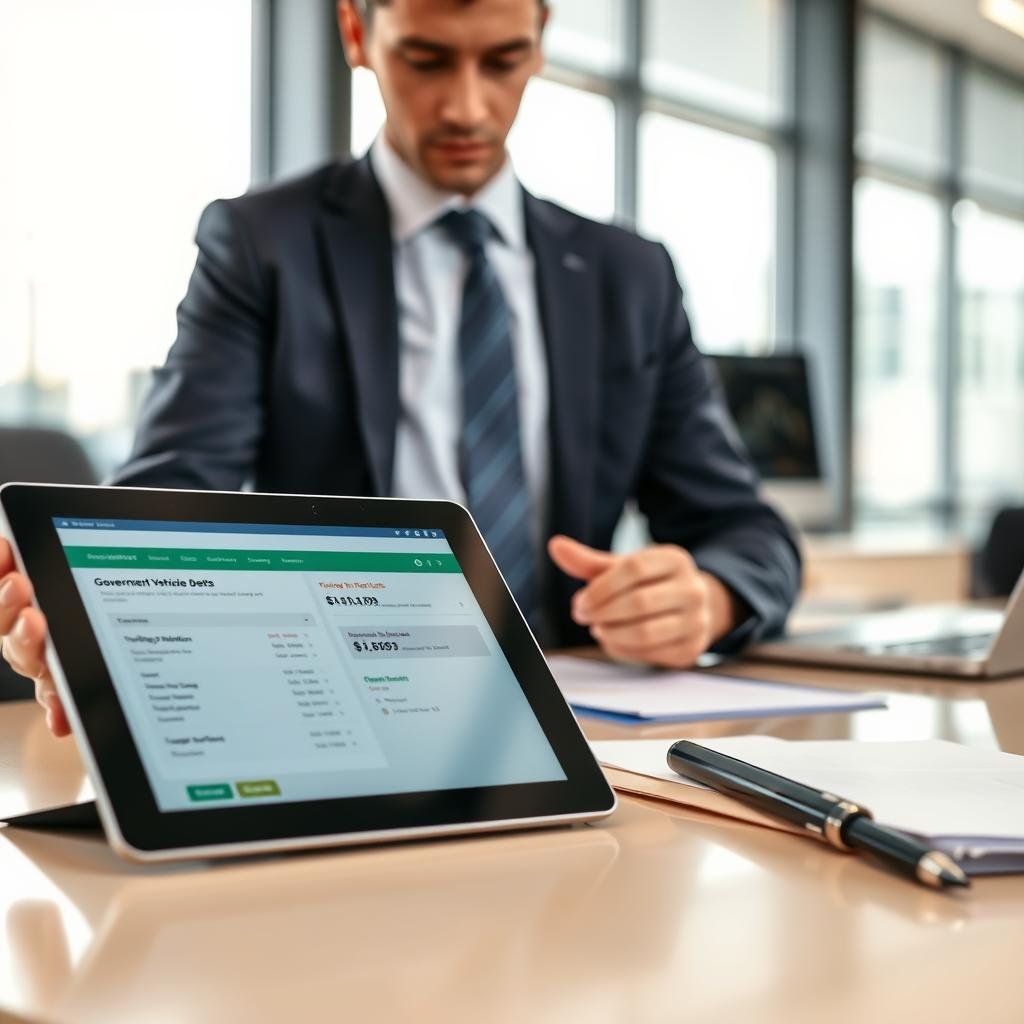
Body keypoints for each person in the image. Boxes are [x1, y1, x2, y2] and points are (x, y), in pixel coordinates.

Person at [0, 0, 801, 740]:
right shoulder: (263, 246)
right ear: (357, 34)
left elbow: (748, 534)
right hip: (345, 713)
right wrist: (98, 593)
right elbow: (176, 488)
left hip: (582, 721)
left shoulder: (631, 276)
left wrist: (709, 598)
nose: (466, 107)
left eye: (503, 61)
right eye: (425, 59)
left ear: (541, 40)